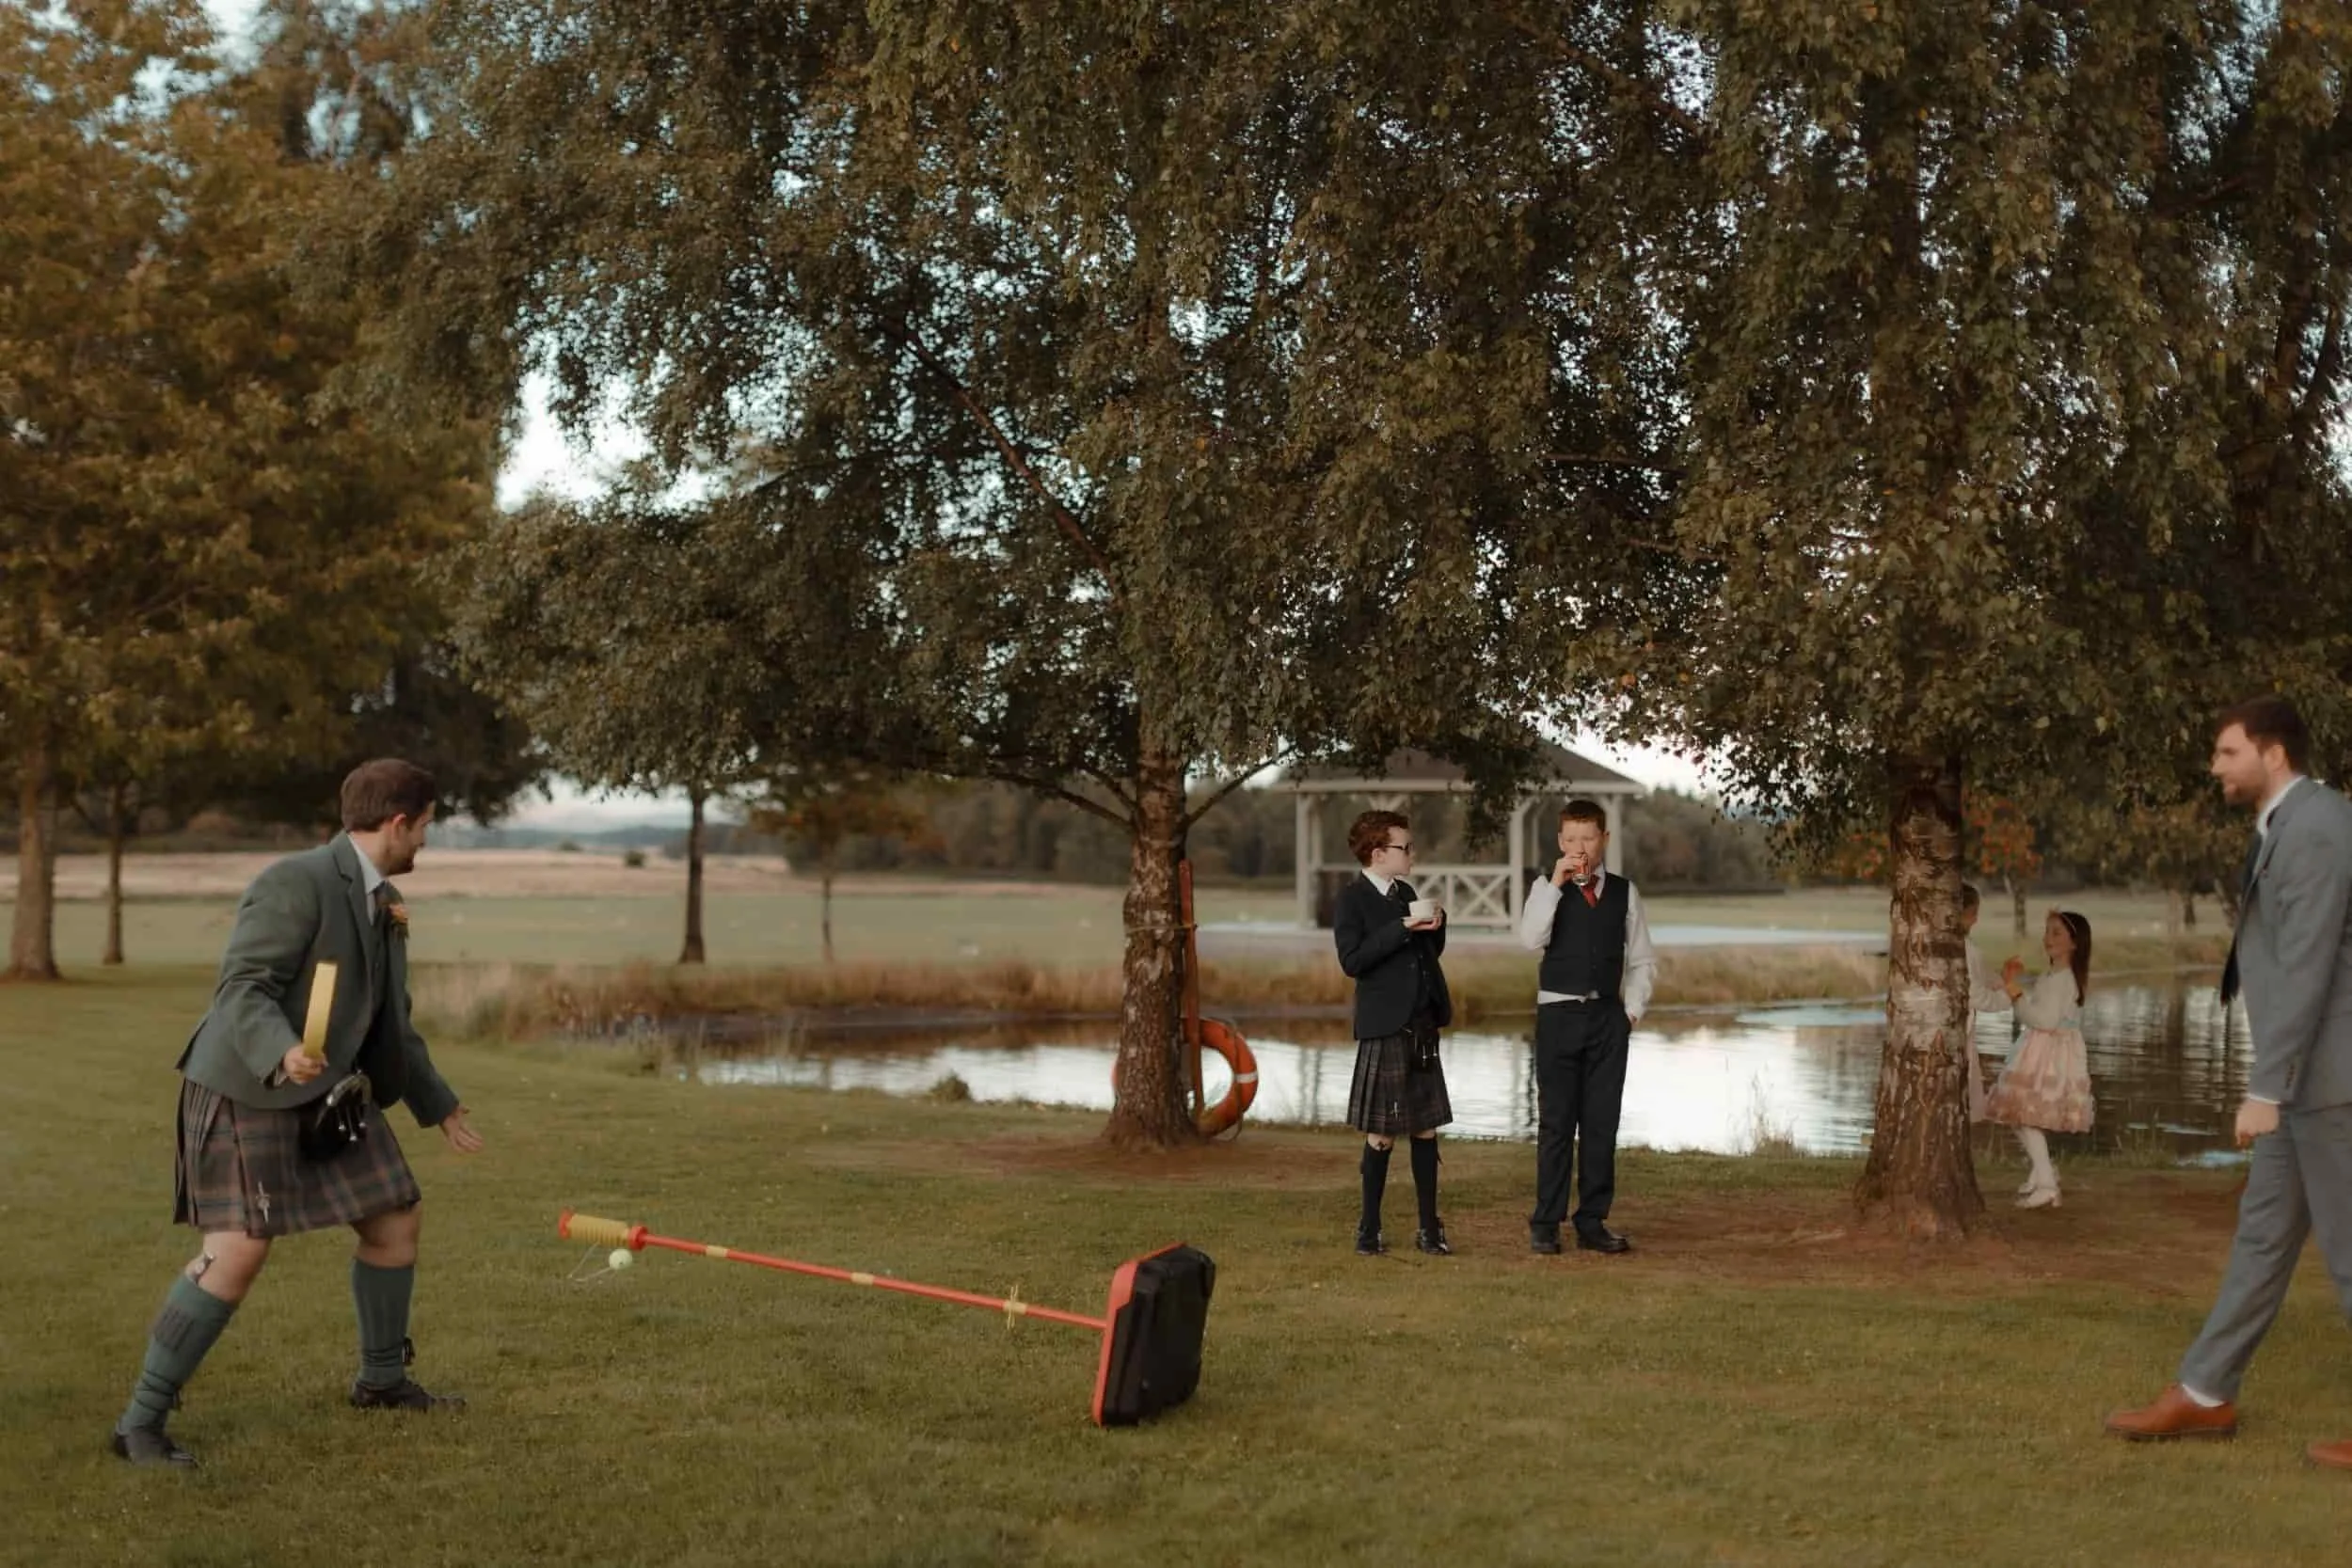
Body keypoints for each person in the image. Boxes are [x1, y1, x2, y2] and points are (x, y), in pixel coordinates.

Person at [108, 759, 485, 1467]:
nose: (427, 840)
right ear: (398, 822)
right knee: (237, 1251)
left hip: (328, 1090)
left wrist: (439, 1105)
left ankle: (381, 1381)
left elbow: (392, 1026)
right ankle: (139, 1423)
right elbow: (242, 987)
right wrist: (282, 1051)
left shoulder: (385, 902)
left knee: (394, 1218)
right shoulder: (297, 881)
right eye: (426, 825)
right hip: (246, 1084)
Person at [2106, 698, 2352, 1464]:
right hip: (2304, 1082)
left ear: (2273, 754)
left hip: (2330, 1081)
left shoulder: (2316, 828)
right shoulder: (2288, 823)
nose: (2215, 767)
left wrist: (2266, 1088)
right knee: (2262, 1239)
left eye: (2227, 752)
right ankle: (2207, 1391)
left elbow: (2309, 967)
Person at [1517, 799, 1657, 1256]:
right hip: (1558, 1016)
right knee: (1556, 1123)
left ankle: (1592, 1221)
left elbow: (1642, 959)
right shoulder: (1545, 888)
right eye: (1572, 839)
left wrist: (1630, 1013)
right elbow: (1529, 939)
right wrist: (1555, 886)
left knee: (1601, 1124)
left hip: (1607, 1021)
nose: (1580, 847)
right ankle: (1546, 1222)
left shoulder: (1624, 892)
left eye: (1589, 838)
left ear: (1604, 840)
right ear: (1560, 841)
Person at [1333, 810, 1454, 1257]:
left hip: (1421, 1023)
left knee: (1425, 1129)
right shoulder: (1352, 899)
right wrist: (1400, 927)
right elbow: (1352, 960)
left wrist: (1436, 925)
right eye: (1405, 847)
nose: (1412, 854)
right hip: (1384, 1027)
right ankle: (1369, 1229)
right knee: (1381, 1134)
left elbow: (1427, 953)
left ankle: (1429, 1229)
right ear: (1378, 853)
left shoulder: (1407, 893)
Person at [1982, 911, 2094, 1208]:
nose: (2048, 938)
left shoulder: (2064, 980)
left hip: (2050, 1054)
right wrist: (2012, 988)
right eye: (2047, 932)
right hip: (2040, 1048)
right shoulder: (2052, 976)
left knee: (2025, 1115)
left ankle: (2047, 1184)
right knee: (2017, 1113)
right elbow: (2036, 1015)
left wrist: (2016, 994)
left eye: (2057, 933)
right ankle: (2042, 1170)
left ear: (2074, 942)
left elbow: (2044, 1020)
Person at [1961, 885, 2010, 1124]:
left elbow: (1981, 976)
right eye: (1972, 914)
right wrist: (2007, 997)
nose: (1976, 920)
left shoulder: (1967, 949)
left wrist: (2002, 980)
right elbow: (1977, 996)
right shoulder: (1965, 951)